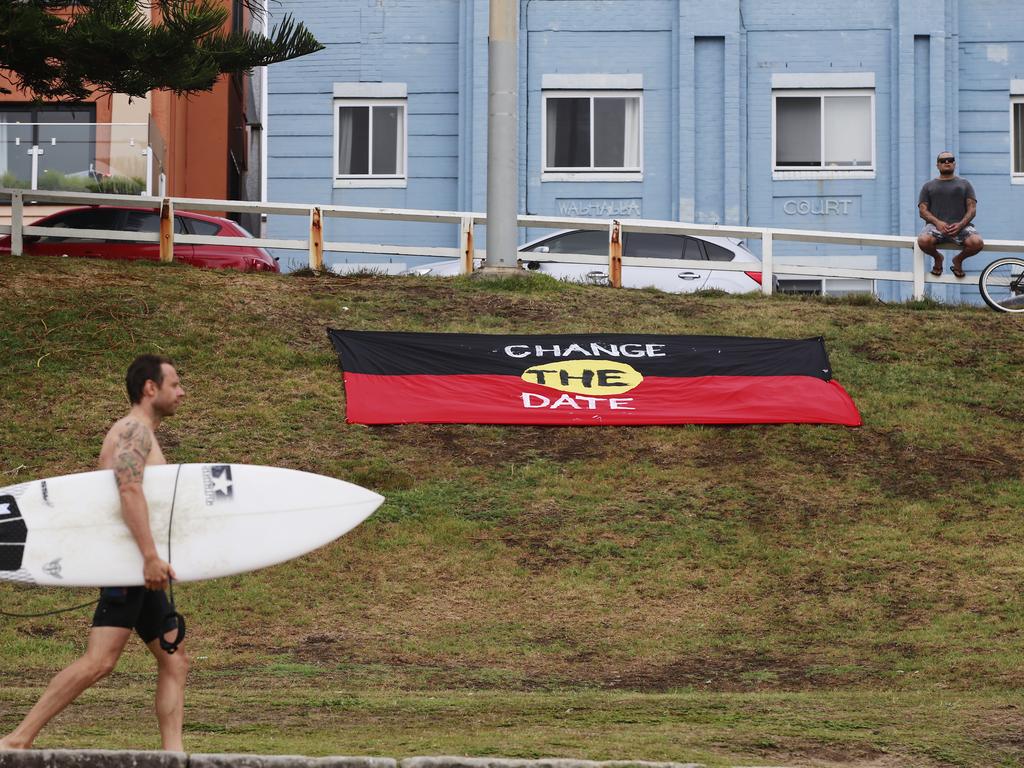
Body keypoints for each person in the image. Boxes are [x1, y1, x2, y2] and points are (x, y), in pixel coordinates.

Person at [0, 355, 189, 752]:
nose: (181, 392)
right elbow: (129, 490)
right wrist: (150, 556)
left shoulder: (143, 434)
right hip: (127, 563)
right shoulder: (132, 431)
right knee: (100, 661)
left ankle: (173, 756)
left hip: (138, 565)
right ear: (150, 388)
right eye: (174, 383)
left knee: (174, 658)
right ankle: (18, 739)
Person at [917, 151, 984, 278]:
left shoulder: (965, 184)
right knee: (923, 241)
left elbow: (972, 209)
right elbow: (922, 210)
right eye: (943, 160)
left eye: (950, 159)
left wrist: (960, 225)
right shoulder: (928, 186)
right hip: (935, 227)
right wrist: (938, 223)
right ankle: (938, 258)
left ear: (954, 163)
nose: (946, 162)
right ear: (937, 165)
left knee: (977, 243)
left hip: (961, 226)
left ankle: (958, 260)